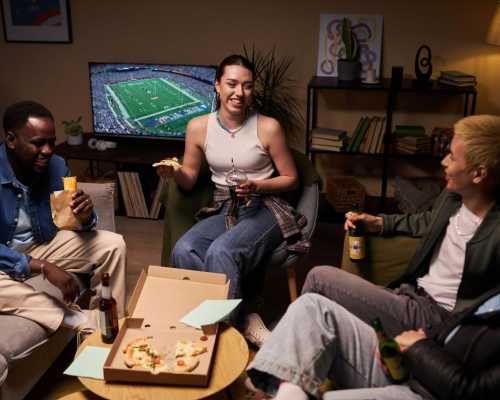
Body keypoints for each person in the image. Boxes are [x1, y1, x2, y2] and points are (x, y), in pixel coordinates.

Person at [246, 114, 500, 399]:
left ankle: (277, 364)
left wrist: (428, 342)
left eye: (452, 157)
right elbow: (425, 220)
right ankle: (286, 370)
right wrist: (377, 222)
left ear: (478, 174)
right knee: (312, 306)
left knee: (319, 278)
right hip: (411, 294)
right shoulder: (454, 196)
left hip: (435, 317)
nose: (444, 162)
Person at [156, 54, 308, 344]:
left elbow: (291, 178)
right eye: (232, 84)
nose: (239, 93)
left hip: (265, 207)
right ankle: (244, 314)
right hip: (225, 206)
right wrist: (173, 173)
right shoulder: (198, 127)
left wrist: (257, 186)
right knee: (184, 250)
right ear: (217, 85)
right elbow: (189, 176)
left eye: (247, 86)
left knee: (222, 251)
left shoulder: (268, 126)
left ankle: (223, 340)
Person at [0, 100, 127, 334]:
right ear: (11, 140)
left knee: (113, 244)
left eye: (51, 142)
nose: (48, 151)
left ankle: (111, 322)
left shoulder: (57, 166)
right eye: (38, 143)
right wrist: (41, 266)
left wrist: (86, 216)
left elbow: (69, 222)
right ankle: (76, 320)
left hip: (40, 245)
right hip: (3, 257)